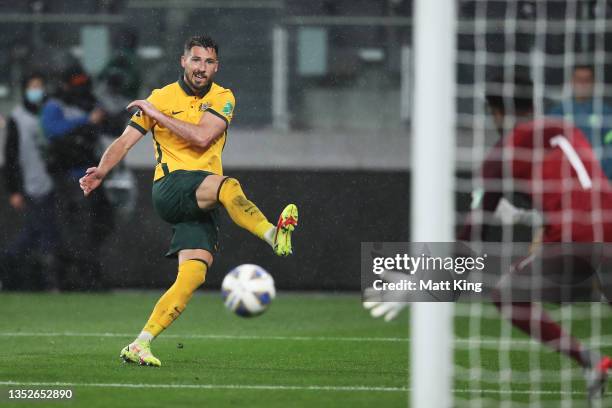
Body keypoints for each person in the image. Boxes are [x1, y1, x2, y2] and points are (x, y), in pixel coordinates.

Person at [79, 35, 299, 367]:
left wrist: (156, 113)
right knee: (229, 186)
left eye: (209, 62)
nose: (202, 68)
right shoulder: (162, 97)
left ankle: (141, 343)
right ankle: (272, 234)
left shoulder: (223, 97)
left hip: (200, 195)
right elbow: (125, 141)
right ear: (183, 61)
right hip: (171, 187)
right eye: (196, 60)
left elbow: (201, 137)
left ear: (216, 66)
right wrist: (102, 171)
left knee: (193, 275)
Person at [41, 65, 113, 290]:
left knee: (99, 224)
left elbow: (112, 128)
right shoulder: (55, 104)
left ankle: (84, 274)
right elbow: (52, 129)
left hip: (90, 174)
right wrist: (86, 120)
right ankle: (76, 277)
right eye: (76, 83)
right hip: (67, 176)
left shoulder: (90, 102)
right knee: (74, 229)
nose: (80, 87)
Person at [1, 72, 59, 290]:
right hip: (29, 184)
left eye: (39, 86)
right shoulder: (17, 118)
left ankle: (24, 277)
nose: (36, 91)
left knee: (39, 232)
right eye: (32, 86)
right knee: (38, 233)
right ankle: (45, 281)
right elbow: (11, 156)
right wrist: (14, 190)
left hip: (48, 183)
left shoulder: (48, 114)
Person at [547, 65, 612, 179]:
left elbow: (610, 143)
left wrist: (601, 172)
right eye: (579, 79)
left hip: (599, 176)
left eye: (587, 80)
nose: (582, 84)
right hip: (566, 176)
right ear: (572, 81)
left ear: (593, 83)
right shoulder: (558, 112)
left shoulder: (605, 112)